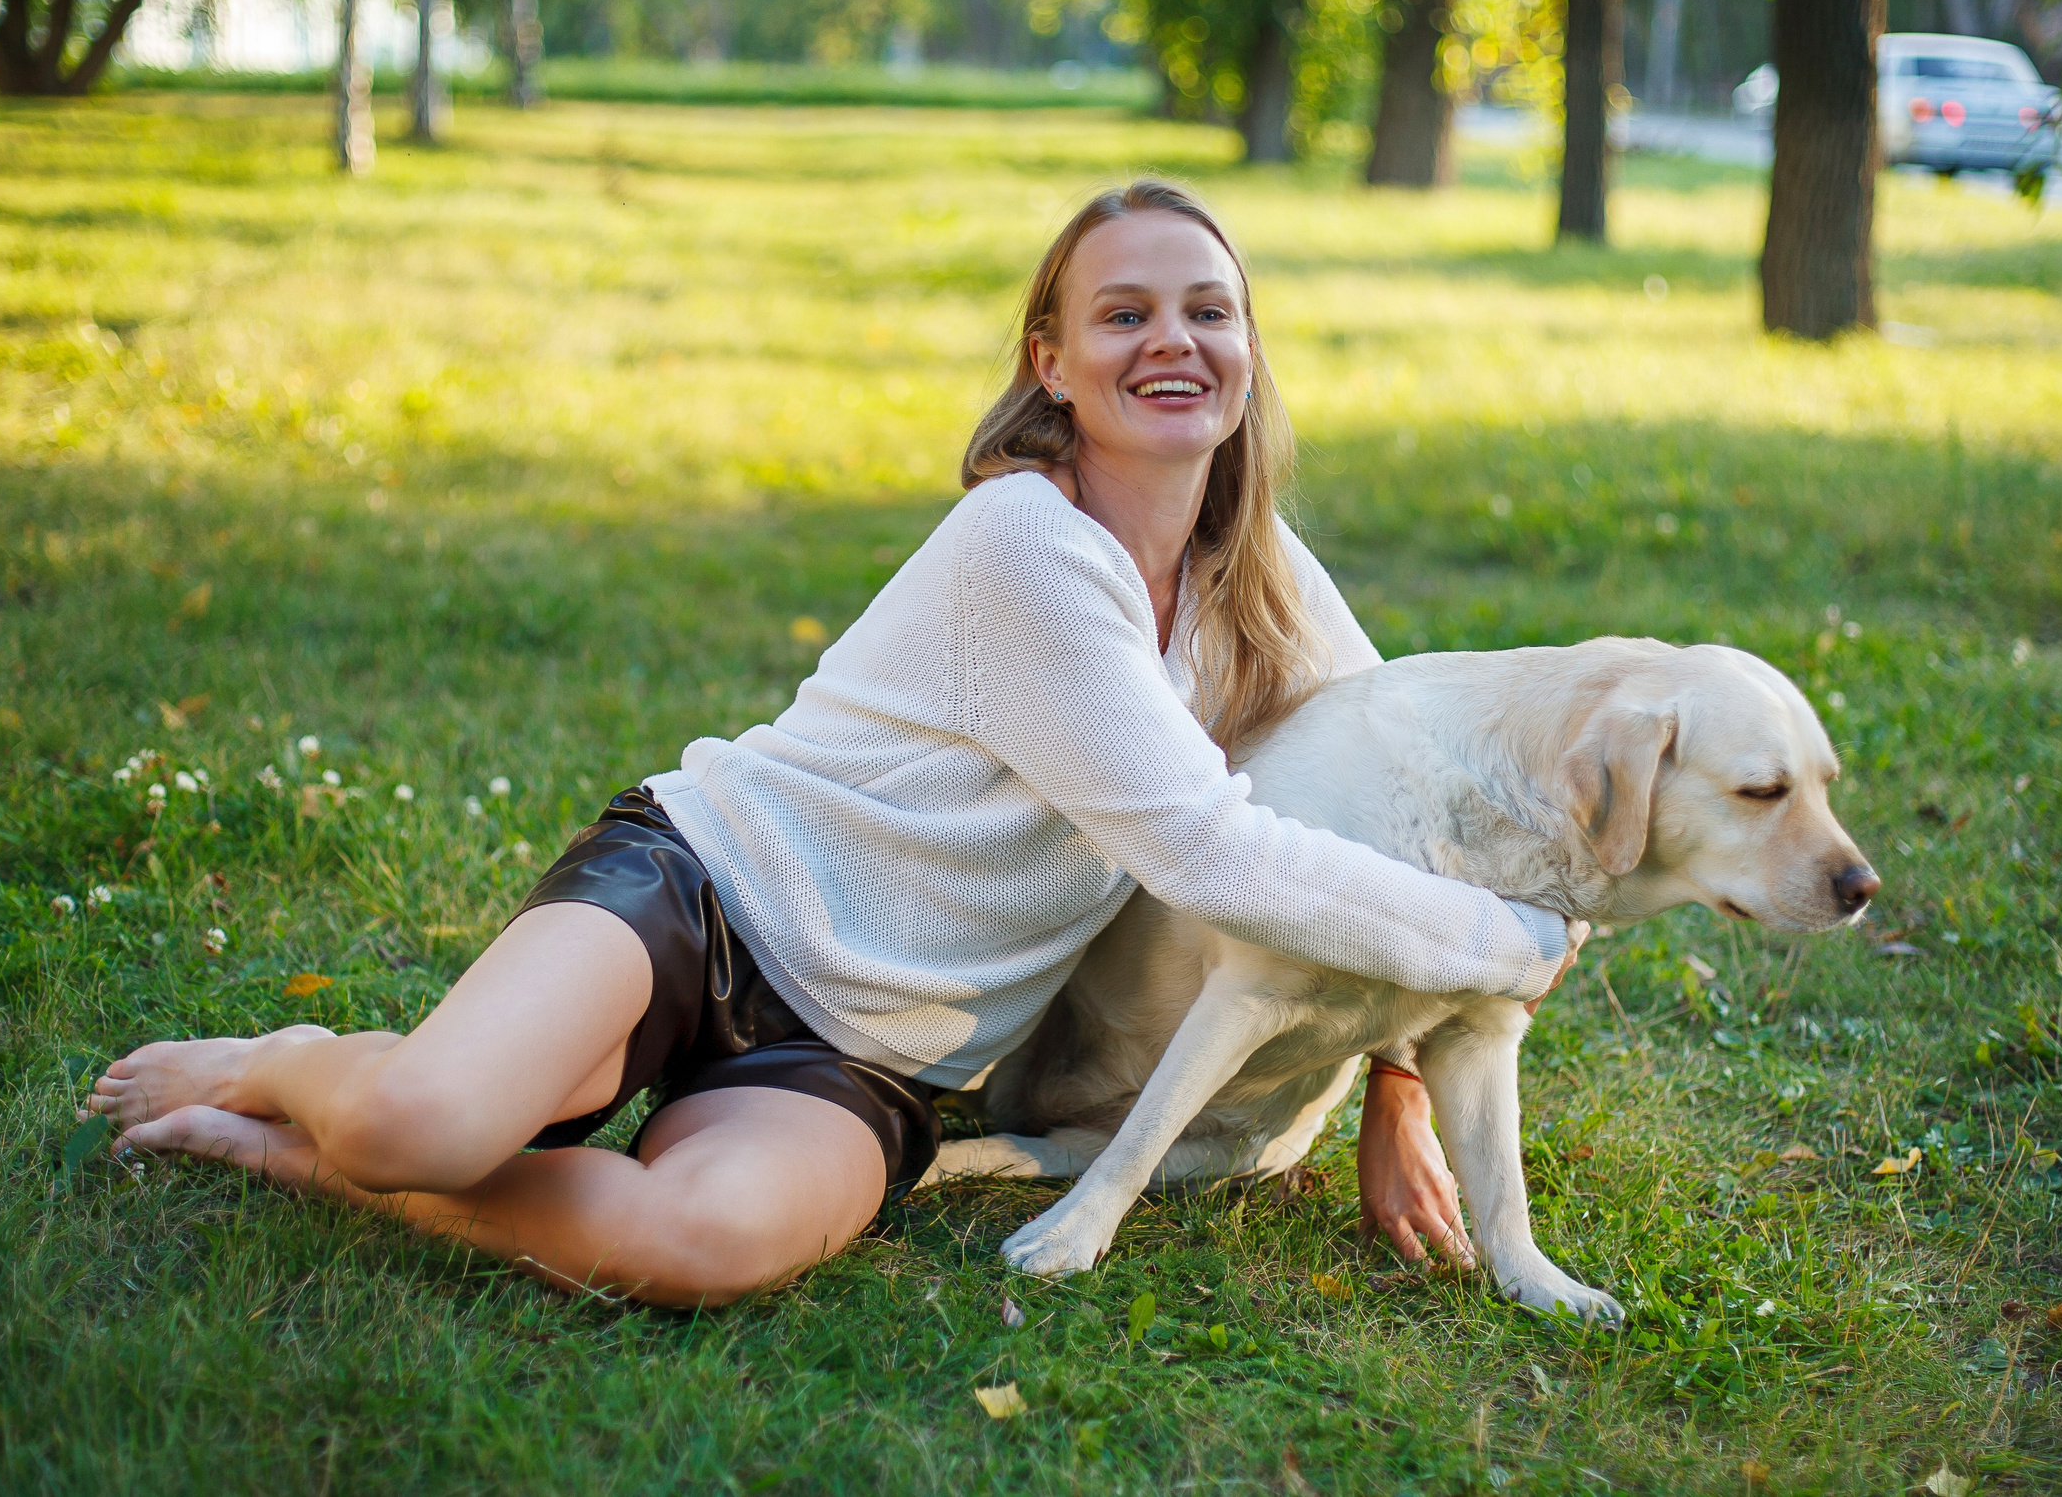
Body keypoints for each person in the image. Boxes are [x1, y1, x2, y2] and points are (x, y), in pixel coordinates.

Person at [88, 179, 1577, 1307]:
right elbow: (1204, 847)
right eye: (1124, 314)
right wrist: (1501, 946)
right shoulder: (1026, 542)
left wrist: (1397, 1074)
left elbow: (1384, 798)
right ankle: (300, 1066)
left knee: (700, 1245)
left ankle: (304, 1163)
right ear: (1053, 362)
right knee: (426, 1121)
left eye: (1209, 310)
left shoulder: (1265, 589)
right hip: (705, 898)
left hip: (874, 1053)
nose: (1173, 341)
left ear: (1248, 353)